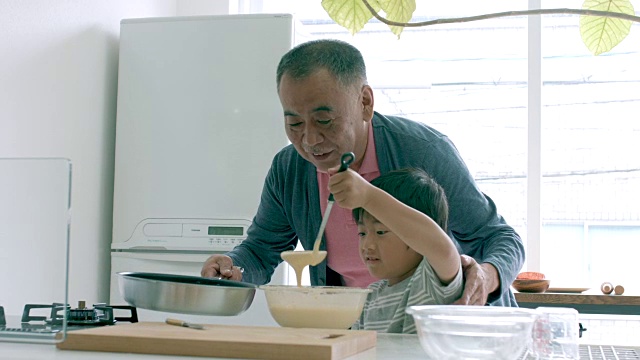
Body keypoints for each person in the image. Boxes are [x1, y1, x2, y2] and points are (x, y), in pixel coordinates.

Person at [201, 39, 524, 307]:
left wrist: (487, 275)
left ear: (365, 102)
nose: (310, 140)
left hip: (444, 327)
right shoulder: (289, 169)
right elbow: (260, 250)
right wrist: (234, 268)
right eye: (294, 123)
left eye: (325, 120)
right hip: (362, 323)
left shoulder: (423, 151)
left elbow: (498, 237)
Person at [333, 167, 463, 333]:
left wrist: (369, 197)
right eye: (362, 233)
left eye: (381, 232)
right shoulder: (369, 297)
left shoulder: (432, 281)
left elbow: (443, 249)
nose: (367, 245)